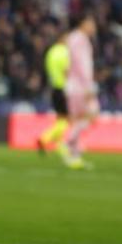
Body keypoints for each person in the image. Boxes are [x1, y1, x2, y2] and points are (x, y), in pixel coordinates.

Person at [44, 15, 98, 170]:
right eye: (91, 22)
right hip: (79, 87)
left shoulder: (69, 41)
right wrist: (89, 87)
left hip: (68, 87)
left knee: (75, 120)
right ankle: (68, 143)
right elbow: (82, 65)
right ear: (83, 23)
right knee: (92, 112)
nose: (93, 26)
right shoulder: (80, 40)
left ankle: (74, 156)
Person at [37, 33, 70, 155]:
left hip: (54, 88)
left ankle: (60, 146)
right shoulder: (64, 52)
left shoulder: (51, 52)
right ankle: (44, 138)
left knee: (60, 119)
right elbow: (66, 70)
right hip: (64, 88)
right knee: (66, 119)